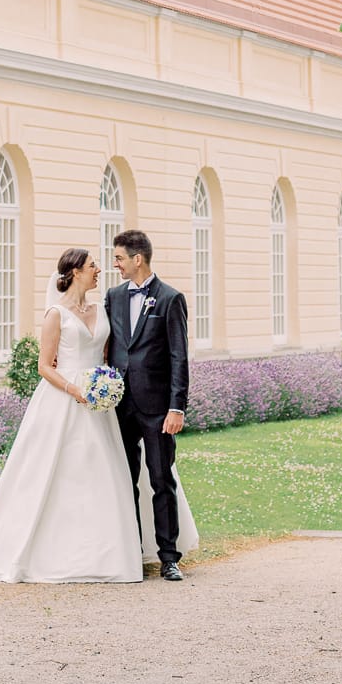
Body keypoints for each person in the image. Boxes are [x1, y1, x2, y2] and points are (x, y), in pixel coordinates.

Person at [0, 247, 143, 582]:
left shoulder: (101, 309)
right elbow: (44, 367)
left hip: (97, 402)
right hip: (64, 398)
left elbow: (104, 354)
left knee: (100, 472)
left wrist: (105, 385)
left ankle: (103, 554)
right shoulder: (55, 315)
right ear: (75, 272)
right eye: (92, 266)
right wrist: (76, 390)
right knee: (56, 471)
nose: (98, 270)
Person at [104, 228, 197, 582]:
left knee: (162, 479)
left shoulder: (171, 299)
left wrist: (177, 407)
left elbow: (179, 358)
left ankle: (169, 557)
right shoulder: (112, 297)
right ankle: (130, 551)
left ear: (137, 259)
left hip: (158, 407)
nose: (116, 265)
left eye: (119, 258)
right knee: (124, 480)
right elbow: (110, 346)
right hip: (119, 405)